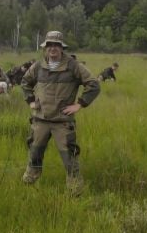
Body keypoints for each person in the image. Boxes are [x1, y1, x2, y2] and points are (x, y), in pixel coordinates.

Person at [21, 30, 100, 196]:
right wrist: (31, 101)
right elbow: (25, 83)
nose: (53, 48)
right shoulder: (38, 66)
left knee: (69, 159)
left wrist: (79, 104)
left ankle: (75, 192)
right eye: (49, 45)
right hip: (40, 120)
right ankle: (29, 185)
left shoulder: (73, 66)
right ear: (45, 47)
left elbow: (93, 84)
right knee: (34, 154)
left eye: (56, 45)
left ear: (62, 47)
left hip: (63, 122)